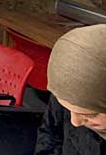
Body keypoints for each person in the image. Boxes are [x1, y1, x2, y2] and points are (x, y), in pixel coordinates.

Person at [35, 24, 106, 155]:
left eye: (90, 115)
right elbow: (50, 134)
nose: (75, 122)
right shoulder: (68, 96)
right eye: (67, 109)